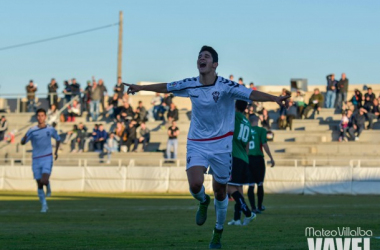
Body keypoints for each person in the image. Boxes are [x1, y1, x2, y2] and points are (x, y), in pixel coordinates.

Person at [124, 45, 288, 249]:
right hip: (197, 143)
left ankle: (218, 231)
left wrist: (274, 99)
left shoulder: (226, 86)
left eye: (206, 56)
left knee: (220, 192)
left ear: (215, 64)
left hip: (221, 146)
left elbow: (251, 94)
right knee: (194, 185)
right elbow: (167, 86)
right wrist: (141, 88)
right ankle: (202, 201)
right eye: (199, 56)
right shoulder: (190, 84)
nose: (201, 58)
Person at [21, 108, 60, 212]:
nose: (40, 117)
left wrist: (56, 152)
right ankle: (44, 204)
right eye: (38, 116)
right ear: (36, 117)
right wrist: (24, 138)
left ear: (45, 117)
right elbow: (23, 142)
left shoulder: (50, 129)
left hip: (47, 157)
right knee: (39, 183)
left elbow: (58, 139)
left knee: (44, 179)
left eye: (42, 115)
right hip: (36, 159)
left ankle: (48, 184)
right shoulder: (32, 130)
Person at [227, 100, 256, 226]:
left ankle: (248, 213)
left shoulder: (235, 116)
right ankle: (237, 219)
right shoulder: (247, 122)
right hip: (244, 158)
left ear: (235, 106)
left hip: (235, 156)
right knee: (239, 189)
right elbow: (248, 145)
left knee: (228, 186)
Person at [247, 115, 274, 214]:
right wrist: (271, 157)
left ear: (249, 120)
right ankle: (259, 206)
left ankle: (253, 208)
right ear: (258, 120)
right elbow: (265, 144)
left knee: (251, 185)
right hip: (258, 159)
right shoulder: (262, 131)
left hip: (248, 159)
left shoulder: (246, 130)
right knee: (260, 184)